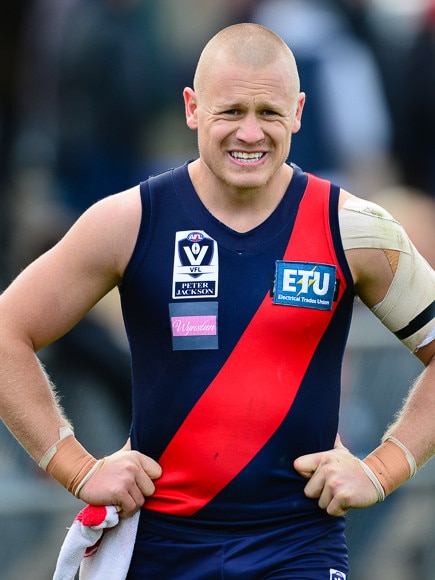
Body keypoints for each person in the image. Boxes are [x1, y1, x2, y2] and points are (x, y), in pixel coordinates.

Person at [0, 22, 434, 579]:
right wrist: (76, 468)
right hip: (160, 547)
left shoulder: (354, 228)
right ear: (192, 108)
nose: (250, 134)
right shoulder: (130, 221)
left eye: (269, 114)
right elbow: (9, 330)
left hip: (299, 547)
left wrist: (383, 469)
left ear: (299, 112)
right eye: (230, 112)